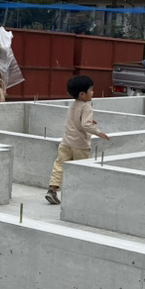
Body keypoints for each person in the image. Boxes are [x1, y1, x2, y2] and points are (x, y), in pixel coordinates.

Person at [46, 74, 110, 205]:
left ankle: (52, 190)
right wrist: (99, 133)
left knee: (59, 166)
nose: (93, 92)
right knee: (80, 169)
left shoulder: (73, 105)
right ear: (82, 94)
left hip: (66, 142)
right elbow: (86, 125)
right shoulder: (87, 107)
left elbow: (76, 120)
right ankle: (78, 195)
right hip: (80, 145)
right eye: (91, 90)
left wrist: (89, 120)